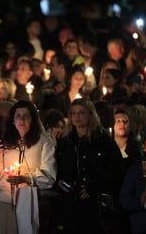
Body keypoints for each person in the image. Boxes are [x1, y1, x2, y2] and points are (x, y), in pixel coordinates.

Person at [0, 100, 57, 234]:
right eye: (18, 116)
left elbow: (49, 176)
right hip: (5, 200)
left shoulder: (44, 141)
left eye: (25, 116)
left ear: (33, 119)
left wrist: (26, 179)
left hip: (30, 201)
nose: (21, 119)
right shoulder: (5, 141)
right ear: (12, 120)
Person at [55, 98, 123, 233]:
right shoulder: (65, 141)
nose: (77, 117)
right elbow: (58, 166)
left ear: (90, 114)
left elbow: (116, 169)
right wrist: (60, 181)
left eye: (81, 112)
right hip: (71, 202)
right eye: (73, 113)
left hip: (95, 204)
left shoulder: (103, 140)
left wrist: (94, 187)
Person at [120, 127, 146, 234]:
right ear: (143, 147)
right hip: (142, 227)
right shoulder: (134, 171)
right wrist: (140, 202)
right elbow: (124, 201)